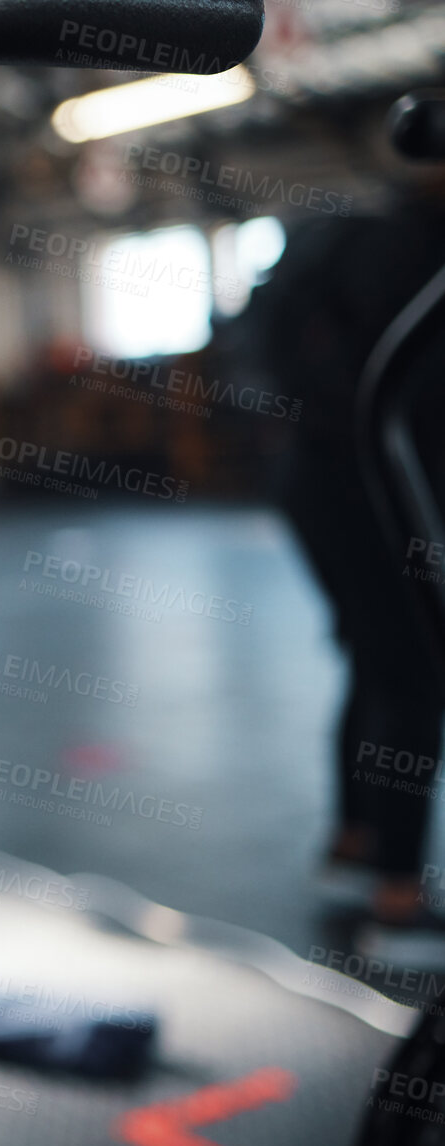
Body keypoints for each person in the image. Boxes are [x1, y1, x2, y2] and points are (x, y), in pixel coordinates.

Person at [220, 203, 445, 965]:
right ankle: (396, 899)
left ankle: (356, 844)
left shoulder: (353, 233)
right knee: (412, 671)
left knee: (374, 656)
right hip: (367, 477)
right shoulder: (413, 246)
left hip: (316, 474)